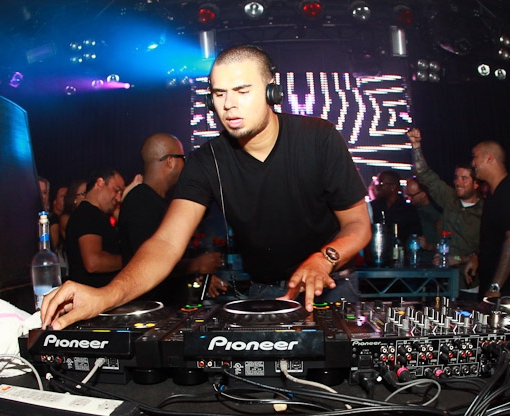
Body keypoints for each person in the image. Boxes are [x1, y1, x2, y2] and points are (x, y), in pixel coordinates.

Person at [42, 45, 371, 328]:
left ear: (272, 90)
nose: (228, 105)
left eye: (242, 91)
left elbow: (357, 224)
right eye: (219, 93)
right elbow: (165, 244)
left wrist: (324, 258)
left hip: (331, 286)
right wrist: (105, 296)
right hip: (266, 292)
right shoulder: (206, 161)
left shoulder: (318, 138)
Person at [118, 133, 223, 304]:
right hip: (150, 307)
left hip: (165, 305)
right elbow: (148, 263)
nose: (185, 164)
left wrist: (197, 273)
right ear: (170, 161)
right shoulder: (140, 201)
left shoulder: (159, 202)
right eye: (183, 158)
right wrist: (197, 264)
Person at [408, 127, 483, 299]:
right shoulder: (450, 198)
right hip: (441, 282)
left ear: (476, 184)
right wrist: (416, 145)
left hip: (468, 285)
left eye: (464, 178)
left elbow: (489, 249)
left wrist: (458, 259)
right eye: (456, 177)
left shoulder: (485, 211)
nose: (458, 182)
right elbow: (425, 175)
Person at [467, 141, 510, 298]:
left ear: (489, 158)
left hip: (509, 291)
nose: (473, 163)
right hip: (495, 286)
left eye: (475, 157)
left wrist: (496, 286)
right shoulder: (494, 193)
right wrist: (477, 256)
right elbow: (493, 237)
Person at [64, 169, 125, 287]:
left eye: (121, 194)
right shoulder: (87, 214)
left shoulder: (95, 214)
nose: (118, 198)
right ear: (100, 183)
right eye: (116, 190)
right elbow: (93, 262)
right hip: (92, 293)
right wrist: (130, 259)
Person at [367, 170, 421, 256]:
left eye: (381, 184)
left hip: (401, 256)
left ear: (393, 187)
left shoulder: (408, 210)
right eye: (377, 184)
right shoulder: (373, 207)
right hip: (375, 254)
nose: (377, 187)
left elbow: (415, 236)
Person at [404, 177, 442, 265]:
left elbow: (447, 244)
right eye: (407, 195)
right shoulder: (409, 211)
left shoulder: (437, 213)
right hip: (411, 262)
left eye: (412, 195)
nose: (409, 199)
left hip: (431, 263)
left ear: (423, 194)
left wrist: (429, 246)